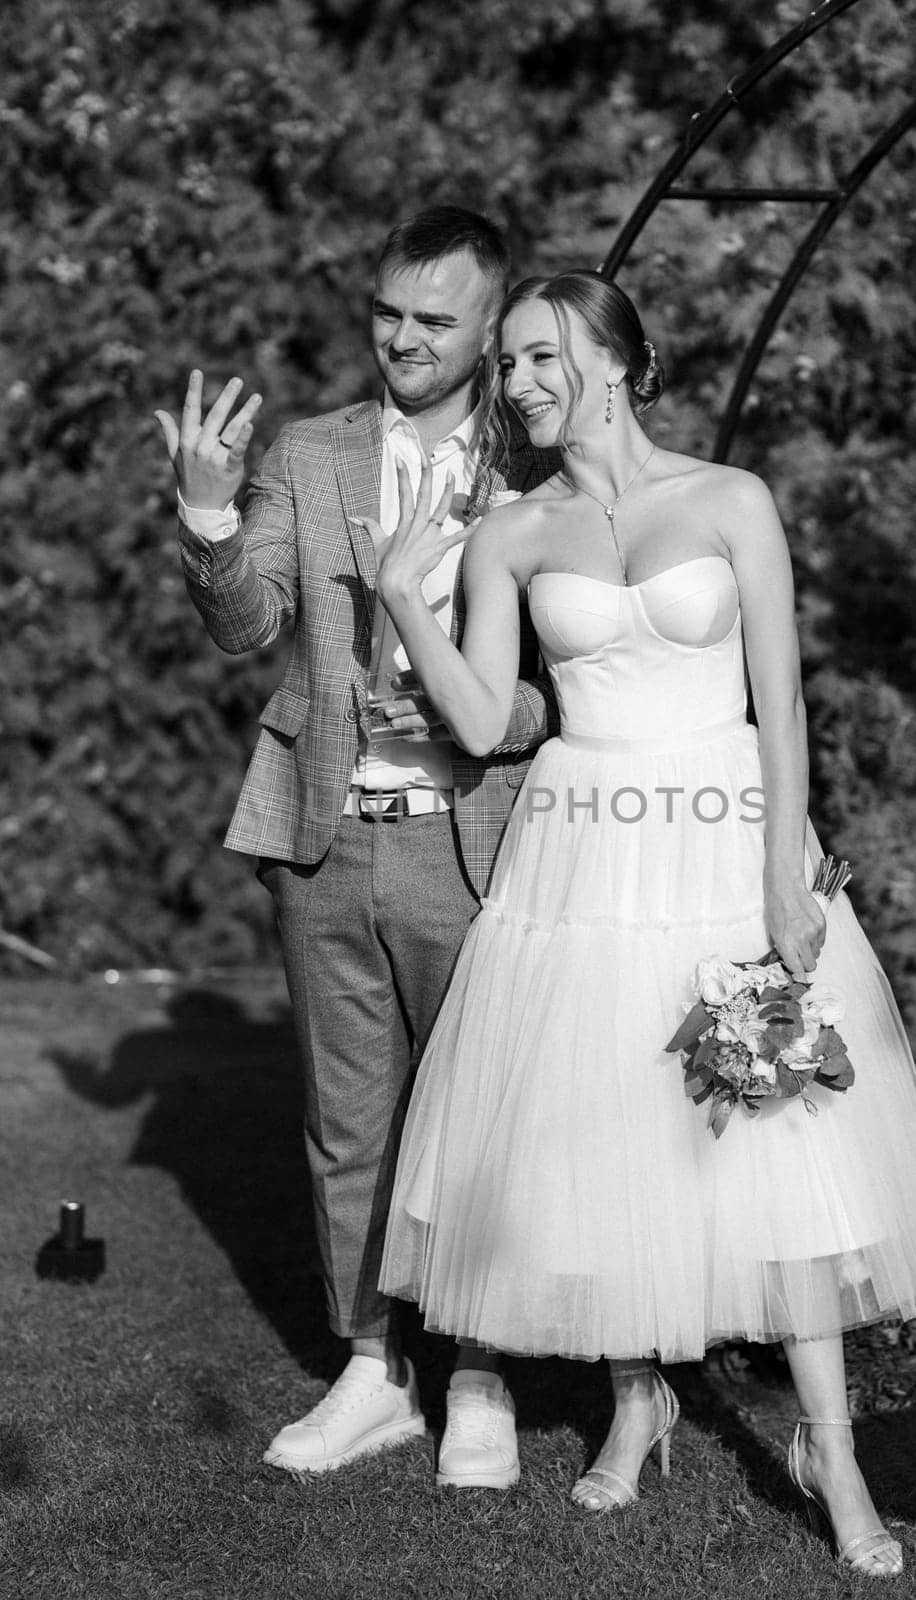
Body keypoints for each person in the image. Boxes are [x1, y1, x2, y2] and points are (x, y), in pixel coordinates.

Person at [372, 270, 916, 1576]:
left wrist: (780, 876)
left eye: (539, 359)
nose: (518, 384)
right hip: (582, 861)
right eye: (511, 365)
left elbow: (785, 703)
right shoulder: (513, 534)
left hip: (721, 839)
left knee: (779, 1143)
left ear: (612, 358)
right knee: (611, 1136)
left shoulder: (730, 500)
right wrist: (404, 595)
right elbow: (480, 727)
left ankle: (835, 1454)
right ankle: (638, 1404)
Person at [154, 207, 558, 1479]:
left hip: (473, 836)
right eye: (388, 312)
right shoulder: (311, 453)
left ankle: (481, 1370)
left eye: (436, 320)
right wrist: (211, 516)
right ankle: (376, 1369)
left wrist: (468, 712)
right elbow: (244, 625)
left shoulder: (537, 472)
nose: (404, 339)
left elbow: (566, 690)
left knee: (480, 1117)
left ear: (492, 327)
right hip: (325, 836)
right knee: (348, 1124)